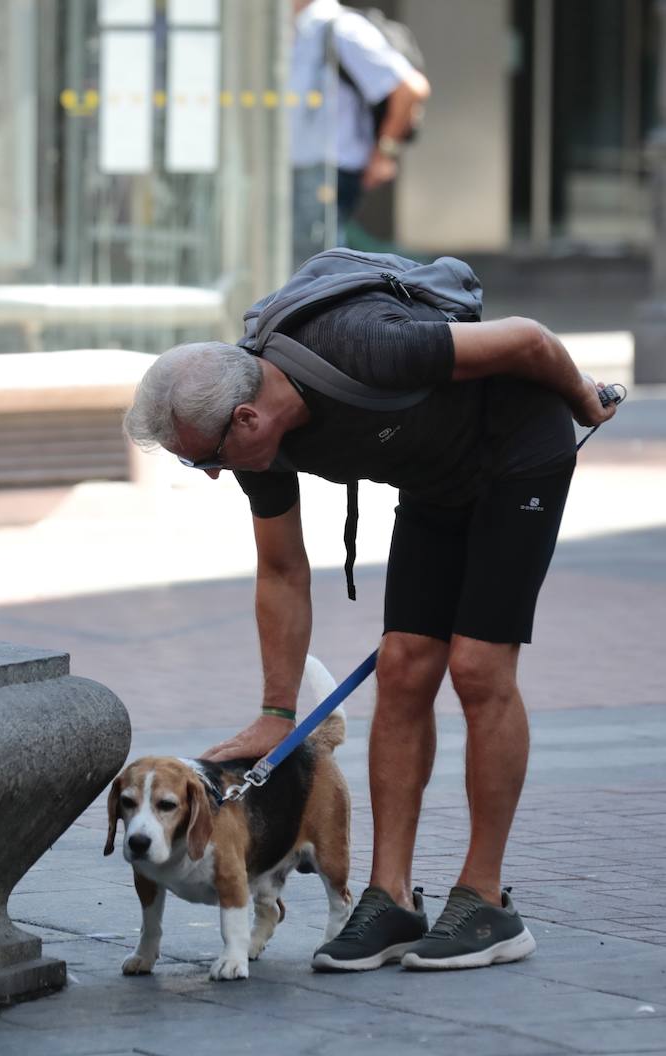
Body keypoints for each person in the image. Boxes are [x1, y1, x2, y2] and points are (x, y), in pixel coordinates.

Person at [123, 282, 617, 972]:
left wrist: (583, 400)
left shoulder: (364, 348)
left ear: (244, 419)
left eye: (203, 458)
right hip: (436, 478)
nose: (208, 475)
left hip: (517, 448)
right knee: (406, 663)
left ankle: (486, 902)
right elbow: (282, 571)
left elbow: (528, 338)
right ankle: (389, 897)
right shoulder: (255, 443)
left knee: (476, 666)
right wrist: (276, 710)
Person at [289, 0, 430, 266]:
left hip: (329, 169)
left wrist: (384, 154)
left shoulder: (342, 28)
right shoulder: (298, 28)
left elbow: (410, 88)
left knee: (317, 269)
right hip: (303, 167)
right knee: (307, 266)